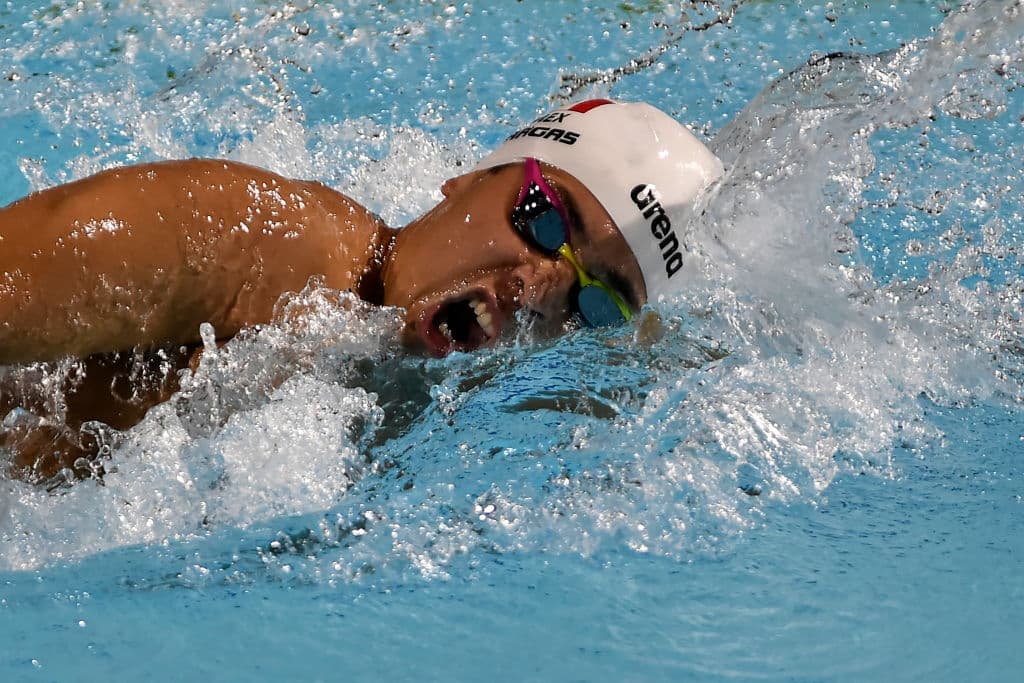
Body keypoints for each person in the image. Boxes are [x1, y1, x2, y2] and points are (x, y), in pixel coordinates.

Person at [0, 98, 723, 483]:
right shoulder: (263, 241)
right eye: (543, 219)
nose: (538, 289)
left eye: (593, 302)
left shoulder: (423, 394)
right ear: (470, 177)